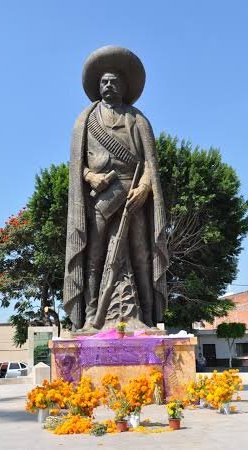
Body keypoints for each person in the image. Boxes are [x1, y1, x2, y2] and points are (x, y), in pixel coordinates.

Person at [64, 46, 168, 332]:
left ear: (124, 86)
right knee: (94, 256)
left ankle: (146, 317)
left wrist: (145, 186)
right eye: (104, 82)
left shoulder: (138, 120)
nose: (108, 85)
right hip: (101, 197)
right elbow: (76, 166)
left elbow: (150, 163)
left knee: (141, 255)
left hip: (133, 192)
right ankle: (90, 317)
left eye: (114, 81)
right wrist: (89, 177)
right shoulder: (85, 121)